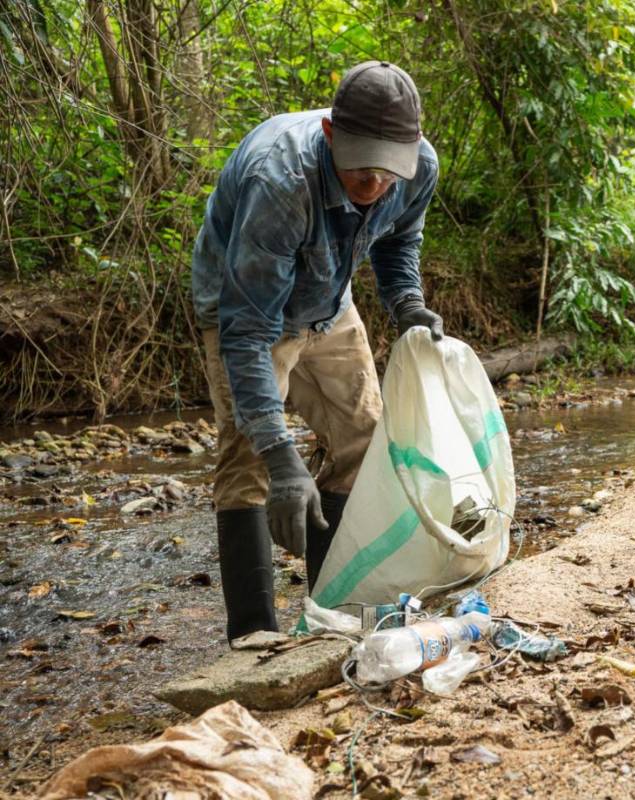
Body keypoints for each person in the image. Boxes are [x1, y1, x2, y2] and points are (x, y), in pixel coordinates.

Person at [191, 61, 443, 642]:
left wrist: (406, 302)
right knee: (250, 458)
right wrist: (284, 459)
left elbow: (400, 240)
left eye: (388, 170)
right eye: (361, 169)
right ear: (331, 134)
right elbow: (247, 332)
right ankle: (253, 635)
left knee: (365, 441)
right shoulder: (280, 181)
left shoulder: (418, 166)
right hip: (244, 308)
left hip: (329, 302)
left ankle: (329, 612)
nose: (375, 184)